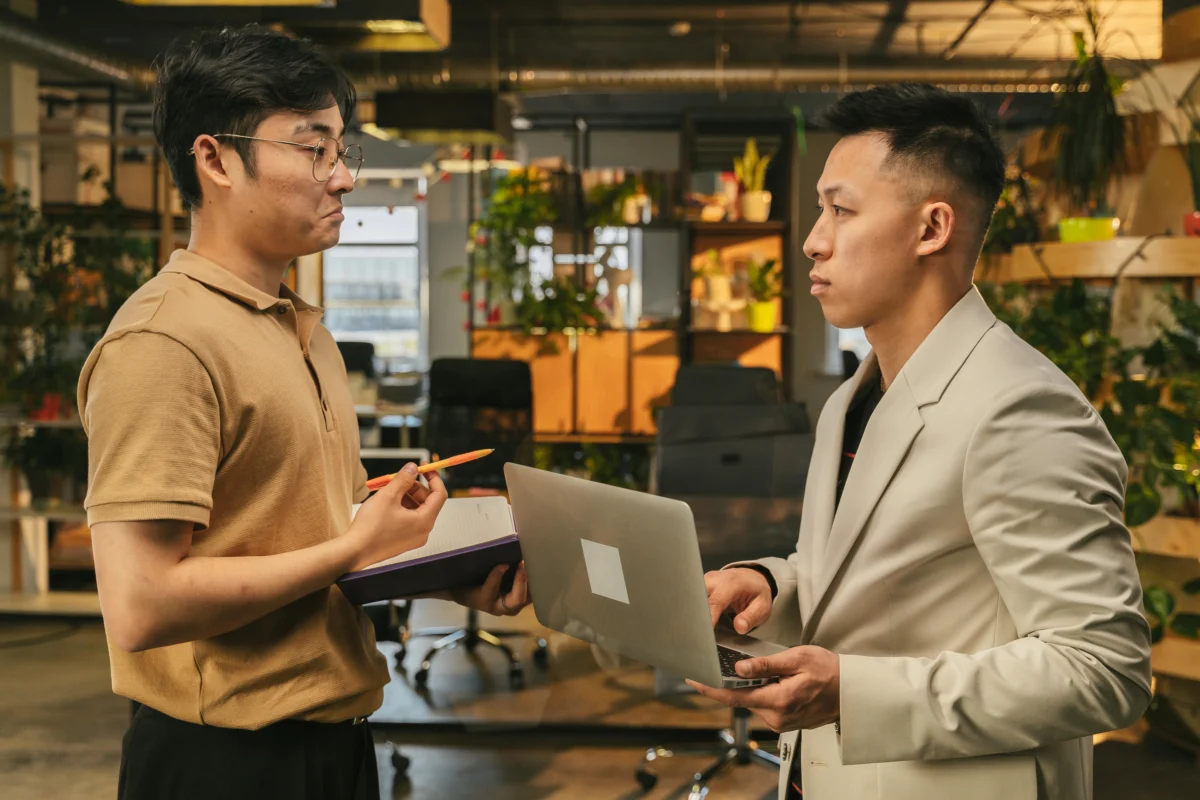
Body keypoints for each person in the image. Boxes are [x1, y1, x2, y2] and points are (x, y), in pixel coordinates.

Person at [77, 26, 530, 800]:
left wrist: (433, 568)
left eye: (341, 149)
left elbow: (308, 538)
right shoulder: (164, 342)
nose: (344, 176)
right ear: (214, 159)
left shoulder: (299, 326)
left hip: (334, 745)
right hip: (225, 764)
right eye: (313, 148)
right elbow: (142, 604)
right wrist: (356, 547)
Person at [693, 84, 1152, 800]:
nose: (814, 239)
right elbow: (858, 573)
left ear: (931, 228)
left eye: (840, 210)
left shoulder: (1020, 407)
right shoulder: (852, 398)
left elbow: (1105, 669)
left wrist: (858, 694)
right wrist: (772, 585)